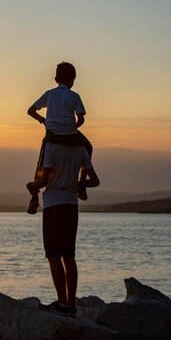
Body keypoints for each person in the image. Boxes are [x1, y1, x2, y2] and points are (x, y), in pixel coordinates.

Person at [26, 143, 99, 316]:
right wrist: (79, 182)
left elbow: (43, 180)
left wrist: (32, 186)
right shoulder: (81, 149)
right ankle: (70, 305)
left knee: (53, 255)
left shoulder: (50, 147)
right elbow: (95, 181)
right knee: (68, 256)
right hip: (72, 205)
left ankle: (61, 304)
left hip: (53, 205)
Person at [26, 62, 93, 214]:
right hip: (70, 134)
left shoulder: (49, 94)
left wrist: (42, 120)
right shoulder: (75, 96)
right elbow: (81, 119)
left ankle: (34, 197)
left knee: (40, 163)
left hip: (52, 135)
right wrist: (72, 127)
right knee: (88, 147)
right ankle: (82, 182)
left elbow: (30, 110)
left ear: (56, 79)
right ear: (72, 80)